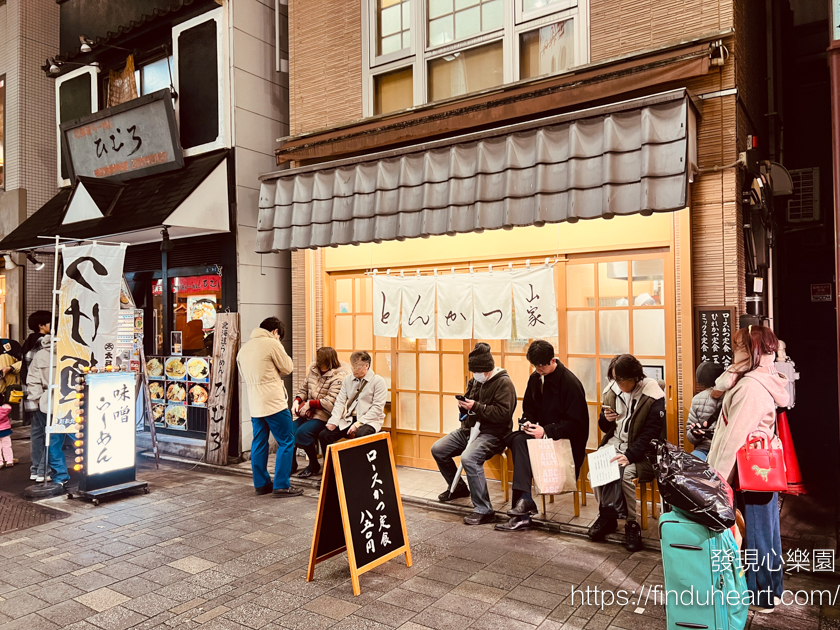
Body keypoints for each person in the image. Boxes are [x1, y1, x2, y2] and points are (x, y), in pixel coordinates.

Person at [707, 326, 789, 614]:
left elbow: (732, 439)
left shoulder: (750, 387)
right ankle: (770, 590)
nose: (735, 352)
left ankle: (763, 595)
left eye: (739, 347)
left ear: (751, 352)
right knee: (765, 532)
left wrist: (714, 480)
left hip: (747, 474)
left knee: (755, 535)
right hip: (760, 470)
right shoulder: (764, 379)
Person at [496, 340, 589, 532]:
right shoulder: (535, 378)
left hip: (565, 440)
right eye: (535, 366)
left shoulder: (570, 383)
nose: (538, 370)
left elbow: (576, 424)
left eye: (542, 366)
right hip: (541, 435)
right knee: (518, 439)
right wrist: (528, 423)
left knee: (520, 443)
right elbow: (529, 407)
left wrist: (546, 431)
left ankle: (522, 510)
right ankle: (524, 503)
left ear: (553, 360)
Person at [431, 342, 516, 526]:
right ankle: (459, 489)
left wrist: (476, 407)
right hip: (469, 430)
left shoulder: (504, 383)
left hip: (493, 434)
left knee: (468, 458)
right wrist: (463, 406)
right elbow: (471, 405)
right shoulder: (475, 381)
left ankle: (484, 509)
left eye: (478, 372)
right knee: (438, 449)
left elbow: (503, 414)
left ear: (487, 370)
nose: (475, 376)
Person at [588, 354, 665, 552]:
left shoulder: (652, 395)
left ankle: (632, 523)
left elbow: (650, 434)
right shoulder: (612, 391)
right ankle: (607, 515)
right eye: (616, 379)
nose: (619, 384)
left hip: (644, 453)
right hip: (616, 443)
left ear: (635, 377)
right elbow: (605, 427)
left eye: (623, 380)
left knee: (624, 475)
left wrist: (629, 456)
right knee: (597, 467)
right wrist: (606, 418)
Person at [236, 317, 302, 498]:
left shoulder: (244, 349)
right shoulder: (272, 344)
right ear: (275, 332)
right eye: (279, 336)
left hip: (255, 403)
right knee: (287, 441)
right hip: (274, 403)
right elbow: (288, 367)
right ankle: (281, 485)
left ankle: (262, 484)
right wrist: (278, 347)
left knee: (259, 442)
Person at [291, 347, 349, 477]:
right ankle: (291, 464)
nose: (317, 361)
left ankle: (313, 464)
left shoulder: (339, 377)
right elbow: (303, 389)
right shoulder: (313, 371)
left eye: (320, 359)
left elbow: (331, 402)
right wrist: (297, 401)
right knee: (290, 430)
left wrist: (310, 403)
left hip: (326, 415)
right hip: (309, 413)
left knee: (302, 433)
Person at [318, 351, 386, 453]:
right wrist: (334, 420)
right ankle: (332, 468)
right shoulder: (347, 380)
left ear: (366, 366)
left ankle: (359, 468)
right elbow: (340, 402)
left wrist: (358, 423)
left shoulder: (378, 381)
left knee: (361, 435)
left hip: (369, 420)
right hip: (349, 419)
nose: (354, 370)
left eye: (357, 367)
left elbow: (377, 408)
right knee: (324, 435)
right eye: (352, 366)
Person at [25, 334, 70, 485]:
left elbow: (32, 379)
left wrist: (39, 398)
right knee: (79, 438)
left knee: (51, 439)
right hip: (71, 400)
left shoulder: (40, 354)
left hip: (47, 402)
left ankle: (56, 474)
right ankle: (91, 473)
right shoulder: (73, 350)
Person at [685, 361, 726, 461]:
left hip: (709, 449)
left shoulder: (697, 399)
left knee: (689, 468)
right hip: (720, 449)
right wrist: (695, 433)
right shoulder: (734, 396)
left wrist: (694, 433)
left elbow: (689, 435)